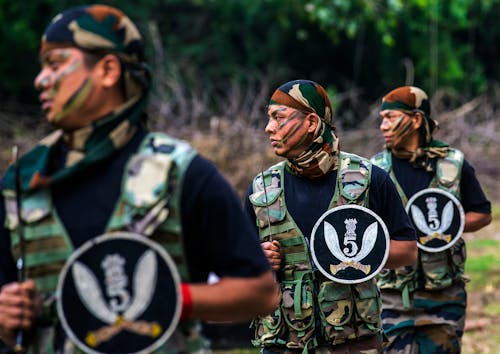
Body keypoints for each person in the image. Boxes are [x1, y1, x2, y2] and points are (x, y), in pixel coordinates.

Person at [0, 4, 278, 353]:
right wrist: (7, 316)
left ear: (108, 70)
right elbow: (9, 305)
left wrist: (169, 299)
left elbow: (261, 292)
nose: (40, 79)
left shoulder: (179, 173)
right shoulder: (23, 182)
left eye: (55, 65)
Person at [244, 79, 418, 354]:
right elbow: (238, 266)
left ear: (311, 122)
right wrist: (257, 259)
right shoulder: (262, 188)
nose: (269, 128)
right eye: (269, 118)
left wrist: (362, 255)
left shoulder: (370, 178)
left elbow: (408, 250)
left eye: (279, 118)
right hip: (283, 344)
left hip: (354, 343)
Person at [371, 86, 492, 353]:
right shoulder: (375, 170)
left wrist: (448, 228)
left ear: (415, 120)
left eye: (390, 117)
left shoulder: (453, 163)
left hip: (444, 294)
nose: (383, 126)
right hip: (390, 295)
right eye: (382, 119)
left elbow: (482, 213)